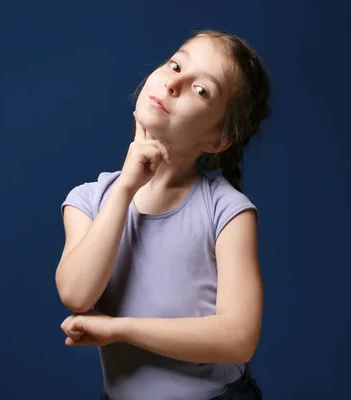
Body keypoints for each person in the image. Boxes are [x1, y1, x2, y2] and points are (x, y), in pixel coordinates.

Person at [56, 29, 271, 400]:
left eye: (201, 90)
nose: (175, 83)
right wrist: (125, 189)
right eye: (175, 65)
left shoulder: (227, 211)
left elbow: (239, 339)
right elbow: (76, 294)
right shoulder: (88, 200)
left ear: (217, 140)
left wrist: (120, 330)